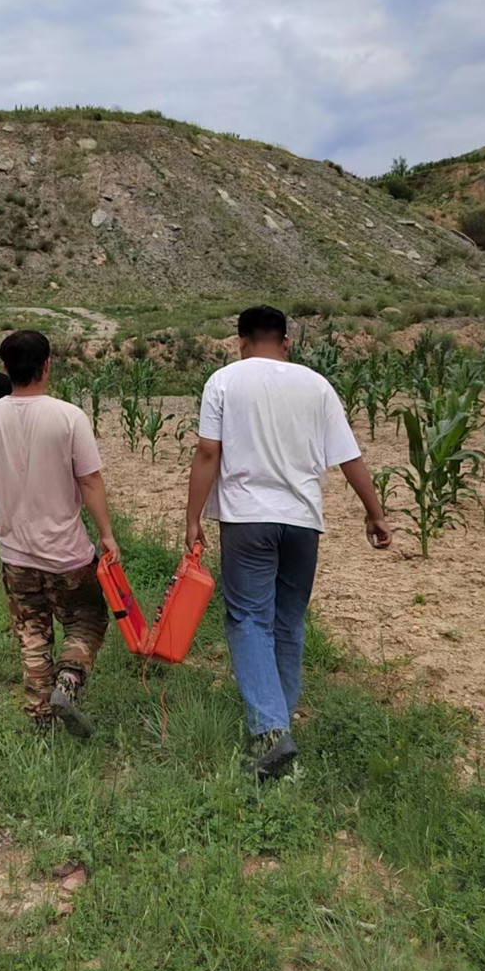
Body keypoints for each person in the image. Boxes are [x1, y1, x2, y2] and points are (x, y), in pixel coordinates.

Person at [184, 305, 391, 779]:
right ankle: (281, 721)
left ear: (240, 341)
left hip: (247, 520)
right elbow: (349, 457)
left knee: (248, 619)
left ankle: (272, 731)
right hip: (303, 522)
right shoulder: (317, 385)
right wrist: (375, 513)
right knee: (288, 620)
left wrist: (193, 517)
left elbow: (208, 452)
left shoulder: (224, 381)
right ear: (286, 343)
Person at [0, 330, 119, 737]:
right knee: (87, 618)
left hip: (16, 553)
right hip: (67, 553)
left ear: (5, 368)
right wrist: (106, 535)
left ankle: (40, 717)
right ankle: (68, 684)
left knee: (32, 633)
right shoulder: (68, 416)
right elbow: (89, 480)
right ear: (47, 365)